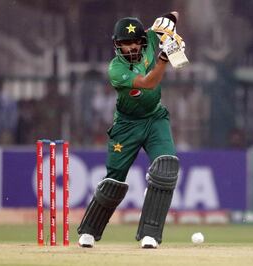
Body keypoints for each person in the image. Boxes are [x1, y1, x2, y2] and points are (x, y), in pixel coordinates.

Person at [77, 11, 184, 249]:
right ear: (117, 45)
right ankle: (89, 231)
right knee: (114, 180)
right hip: (127, 125)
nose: (132, 46)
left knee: (166, 167)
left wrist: (171, 32)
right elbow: (148, 83)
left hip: (155, 118)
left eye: (136, 41)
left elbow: (172, 16)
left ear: (143, 40)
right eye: (126, 43)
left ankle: (150, 235)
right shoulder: (116, 69)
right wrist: (165, 59)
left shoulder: (150, 39)